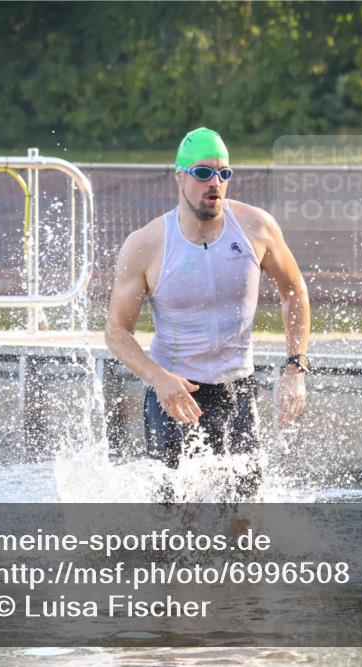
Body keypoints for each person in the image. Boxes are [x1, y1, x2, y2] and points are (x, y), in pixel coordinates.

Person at [104, 127, 311, 499]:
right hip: (175, 395)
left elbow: (293, 290)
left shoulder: (256, 228)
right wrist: (158, 378)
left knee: (245, 521)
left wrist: (295, 368)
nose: (214, 182)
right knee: (174, 527)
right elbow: (117, 331)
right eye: (202, 173)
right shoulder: (147, 244)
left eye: (223, 173)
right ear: (179, 176)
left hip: (237, 390)